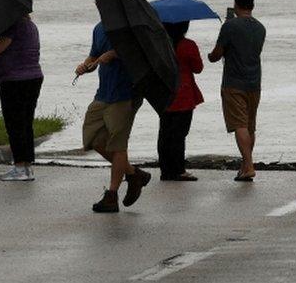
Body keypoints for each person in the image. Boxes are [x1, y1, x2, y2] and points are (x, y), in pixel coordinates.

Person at [75, 20, 152, 213]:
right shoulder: (99, 28)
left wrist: (115, 53)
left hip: (126, 94)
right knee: (93, 139)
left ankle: (111, 195)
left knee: (118, 145)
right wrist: (86, 66)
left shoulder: (131, 28)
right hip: (103, 93)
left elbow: (142, 54)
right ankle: (134, 174)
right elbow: (93, 56)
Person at [208, 0, 266, 182]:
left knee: (239, 124)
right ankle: (245, 165)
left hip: (234, 82)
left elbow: (216, 55)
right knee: (250, 126)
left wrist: (212, 54)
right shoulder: (260, 28)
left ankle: (249, 165)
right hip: (254, 82)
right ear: (253, 5)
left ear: (236, 4)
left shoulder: (230, 27)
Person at [0, 14, 43, 182]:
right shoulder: (30, 26)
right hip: (33, 76)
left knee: (15, 123)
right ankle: (27, 166)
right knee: (26, 123)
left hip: (16, 80)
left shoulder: (14, 25)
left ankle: (20, 166)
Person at [157, 21, 204, 181]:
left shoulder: (159, 44)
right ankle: (178, 170)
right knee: (179, 134)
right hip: (184, 93)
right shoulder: (188, 45)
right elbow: (198, 68)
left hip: (164, 93)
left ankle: (165, 170)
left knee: (165, 133)